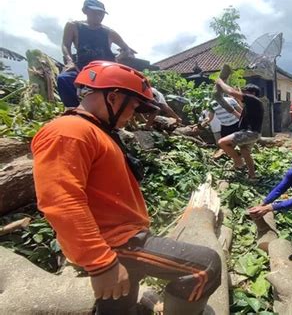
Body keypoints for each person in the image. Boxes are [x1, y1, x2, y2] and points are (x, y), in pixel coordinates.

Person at [32, 61, 221, 315]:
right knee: (206, 267)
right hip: (117, 243)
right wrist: (101, 263)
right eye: (132, 106)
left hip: (122, 237)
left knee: (119, 308)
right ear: (112, 97)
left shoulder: (96, 130)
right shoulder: (69, 131)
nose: (134, 114)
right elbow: (61, 201)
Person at [57, 0, 136, 108]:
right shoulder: (74, 26)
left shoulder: (109, 32)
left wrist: (117, 59)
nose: (98, 16)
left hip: (105, 70)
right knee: (64, 78)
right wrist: (70, 62)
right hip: (83, 68)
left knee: (126, 87)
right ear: (85, 11)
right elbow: (66, 45)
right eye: (95, 12)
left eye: (101, 13)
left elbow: (127, 49)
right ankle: (74, 110)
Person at [215, 79, 264, 180]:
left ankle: (238, 161)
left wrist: (220, 82)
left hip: (249, 133)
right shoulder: (252, 105)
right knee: (245, 151)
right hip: (253, 133)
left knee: (222, 142)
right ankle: (252, 175)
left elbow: (231, 92)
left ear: (252, 93)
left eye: (245, 92)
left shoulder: (253, 99)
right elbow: (237, 101)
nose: (242, 94)